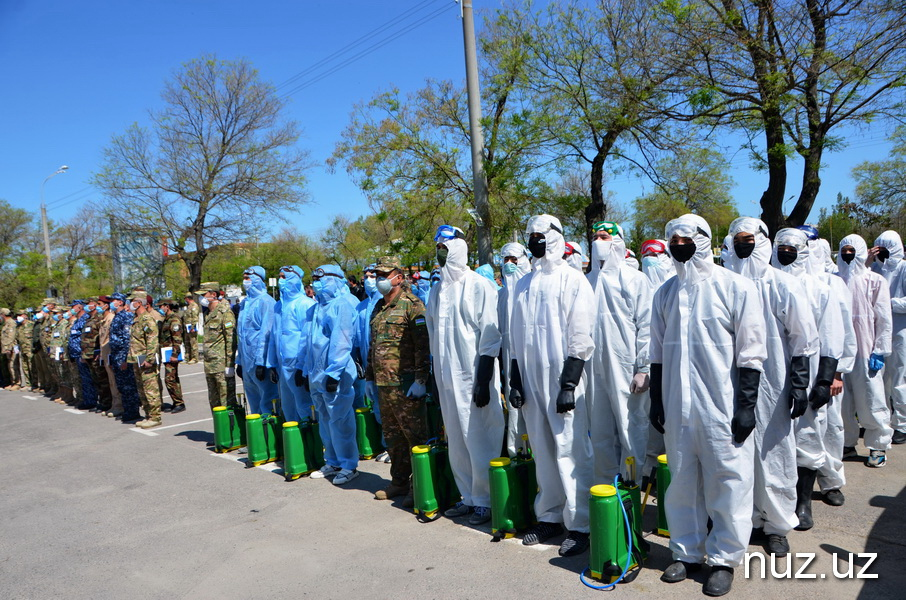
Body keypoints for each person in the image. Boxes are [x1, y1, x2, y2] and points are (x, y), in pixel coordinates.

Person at [649, 214, 767, 596]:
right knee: (682, 482)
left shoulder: (735, 287)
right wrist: (657, 399)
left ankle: (724, 559)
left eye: (686, 239)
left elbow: (751, 353)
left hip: (724, 405)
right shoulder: (665, 293)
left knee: (728, 482)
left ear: (703, 240)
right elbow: (657, 353)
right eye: (673, 239)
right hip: (678, 404)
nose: (678, 245)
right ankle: (685, 551)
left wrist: (746, 404)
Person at [724, 218, 818, 555]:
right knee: (736, 455)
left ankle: (778, 524)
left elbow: (803, 340)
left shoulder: (781, 284)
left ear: (762, 241)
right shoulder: (723, 283)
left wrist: (799, 384)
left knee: (775, 451)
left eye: (749, 239)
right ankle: (745, 518)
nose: (743, 245)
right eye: (738, 239)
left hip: (773, 384)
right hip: (730, 384)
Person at [508, 214, 595, 556]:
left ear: (556, 238)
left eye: (540, 235)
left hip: (563, 381)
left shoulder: (573, 280)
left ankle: (581, 523)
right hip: (531, 381)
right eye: (530, 235)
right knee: (543, 450)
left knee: (571, 450)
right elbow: (515, 339)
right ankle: (550, 515)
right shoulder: (524, 285)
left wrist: (569, 383)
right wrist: (516, 381)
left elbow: (581, 334)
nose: (534, 241)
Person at [425, 225, 503, 526]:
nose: (441, 255)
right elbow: (434, 335)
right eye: (438, 249)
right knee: (456, 438)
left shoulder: (479, 285)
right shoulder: (437, 291)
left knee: (479, 435)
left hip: (473, 375)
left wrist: (483, 380)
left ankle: (485, 499)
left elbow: (491, 335)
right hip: (447, 377)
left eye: (445, 249)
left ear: (458, 249)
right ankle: (467, 497)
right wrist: (435, 375)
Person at [773, 228, 846, 529]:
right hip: (772, 376)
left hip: (812, 370)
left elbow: (831, 336)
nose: (787, 252)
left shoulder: (819, 288)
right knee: (774, 442)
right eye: (782, 246)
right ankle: (776, 503)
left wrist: (825, 380)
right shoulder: (765, 283)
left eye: (794, 247)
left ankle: (804, 503)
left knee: (808, 437)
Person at [585, 220, 652, 484]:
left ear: (618, 243)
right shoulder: (586, 281)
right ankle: (603, 489)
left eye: (605, 237)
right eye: (596, 237)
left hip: (626, 367)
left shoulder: (635, 280)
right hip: (593, 369)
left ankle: (630, 487)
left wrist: (644, 368)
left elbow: (646, 325)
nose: (599, 242)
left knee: (630, 427)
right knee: (599, 432)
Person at [799, 226, 857, 505]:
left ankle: (831, 481)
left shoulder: (834, 285)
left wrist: (837, 372)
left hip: (827, 372)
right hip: (798, 374)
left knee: (831, 428)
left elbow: (843, 330)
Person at [368, 257, 431, 504]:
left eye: (385, 274)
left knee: (415, 436)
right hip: (384, 385)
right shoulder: (378, 307)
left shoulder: (412, 306)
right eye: (377, 275)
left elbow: (422, 346)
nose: (380, 279)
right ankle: (399, 482)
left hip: (405, 384)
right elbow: (374, 345)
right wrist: (370, 378)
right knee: (393, 437)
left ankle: (421, 485)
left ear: (399, 277)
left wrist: (421, 379)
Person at [837, 235, 893, 467]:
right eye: (844, 250)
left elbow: (884, 319)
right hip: (839, 351)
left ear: (860, 252)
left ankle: (878, 445)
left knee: (870, 399)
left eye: (852, 250)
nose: (848, 254)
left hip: (865, 349)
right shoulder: (834, 280)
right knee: (842, 402)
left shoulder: (875, 281)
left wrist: (879, 350)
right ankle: (847, 443)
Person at [302, 265, 360, 485]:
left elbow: (342, 341)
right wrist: (303, 369)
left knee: (340, 418)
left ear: (335, 280)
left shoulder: (341, 306)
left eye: (320, 278)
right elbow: (307, 342)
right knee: (325, 419)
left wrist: (334, 373)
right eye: (313, 277)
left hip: (336, 373)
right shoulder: (316, 307)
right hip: (316, 374)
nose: (315, 282)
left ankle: (348, 464)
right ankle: (333, 460)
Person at [867, 231, 906, 444]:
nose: (881, 254)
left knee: (900, 377)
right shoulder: (875, 268)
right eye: (878, 249)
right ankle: (881, 421)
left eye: (884, 250)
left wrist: (887, 303)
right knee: (880, 379)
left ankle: (902, 424)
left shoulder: (904, 268)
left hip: (901, 329)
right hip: (879, 330)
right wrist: (867, 261)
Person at [267, 266, 316, 424]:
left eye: (284, 277)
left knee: (304, 405)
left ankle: (310, 442)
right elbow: (274, 336)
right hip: (283, 366)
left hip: (297, 365)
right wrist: (272, 363)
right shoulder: (279, 306)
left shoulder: (305, 304)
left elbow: (309, 339)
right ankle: (294, 444)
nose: (281, 281)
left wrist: (304, 368)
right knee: (288, 407)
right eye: (279, 277)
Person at [498, 242, 532, 458]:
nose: (510, 265)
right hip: (511, 364)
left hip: (534, 360)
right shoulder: (501, 296)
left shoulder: (532, 288)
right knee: (515, 410)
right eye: (505, 260)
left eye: (514, 259)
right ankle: (517, 455)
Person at [354, 264, 390, 461]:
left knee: (389, 408)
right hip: (370, 367)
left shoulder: (386, 303)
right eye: (366, 276)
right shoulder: (362, 306)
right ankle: (384, 445)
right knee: (378, 407)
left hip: (388, 366)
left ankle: (393, 447)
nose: (369, 280)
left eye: (373, 276)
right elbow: (356, 337)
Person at [237, 266, 278, 417]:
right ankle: (258, 436)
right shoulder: (245, 303)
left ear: (257, 279)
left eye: (248, 278)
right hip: (247, 361)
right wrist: (239, 361)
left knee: (268, 400)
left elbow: (266, 334)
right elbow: (241, 335)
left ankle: (270, 435)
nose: (245, 281)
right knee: (254, 401)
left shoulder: (266, 302)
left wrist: (261, 362)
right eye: (244, 278)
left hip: (261, 362)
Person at [195, 282, 236, 410]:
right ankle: (219, 429)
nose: (201, 298)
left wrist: (229, 365)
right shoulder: (208, 313)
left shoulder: (225, 313)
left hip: (221, 365)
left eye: (203, 294)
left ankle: (228, 430)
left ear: (213, 294)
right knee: (214, 403)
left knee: (226, 403)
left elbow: (230, 340)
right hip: (209, 365)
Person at [127, 291, 162, 429]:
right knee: (142, 389)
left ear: (139, 303)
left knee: (150, 389)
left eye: (132, 301)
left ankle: (155, 417)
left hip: (145, 360)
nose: (130, 304)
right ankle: (148, 415)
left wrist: (149, 359)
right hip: (137, 359)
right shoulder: (136, 319)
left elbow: (152, 341)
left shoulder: (147, 319)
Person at [109, 293, 141, 423]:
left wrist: (124, 359)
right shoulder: (116, 317)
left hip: (123, 357)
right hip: (116, 356)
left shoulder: (126, 317)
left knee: (129, 386)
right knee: (122, 386)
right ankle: (127, 410)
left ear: (121, 302)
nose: (112, 302)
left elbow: (127, 340)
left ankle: (133, 411)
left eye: (114, 300)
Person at [81, 298, 113, 414]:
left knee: (102, 380)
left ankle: (106, 403)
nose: (86, 307)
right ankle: (102, 401)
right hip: (88, 354)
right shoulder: (89, 319)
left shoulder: (99, 319)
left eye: (88, 304)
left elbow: (101, 337)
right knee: (96, 380)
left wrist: (99, 352)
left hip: (96, 354)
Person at [68, 300, 97, 409]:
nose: (71, 309)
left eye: (73, 307)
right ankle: (85, 399)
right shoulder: (77, 320)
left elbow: (85, 337)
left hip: (82, 353)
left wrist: (83, 353)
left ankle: (90, 400)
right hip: (75, 353)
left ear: (80, 308)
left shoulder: (85, 319)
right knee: (82, 379)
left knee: (87, 379)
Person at [158, 299, 185, 414]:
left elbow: (177, 338)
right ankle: (176, 402)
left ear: (167, 306)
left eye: (161, 306)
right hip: (166, 352)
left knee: (170, 379)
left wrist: (175, 354)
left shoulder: (174, 319)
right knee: (172, 378)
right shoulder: (166, 319)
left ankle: (179, 403)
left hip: (172, 353)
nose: (160, 308)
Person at [15, 309, 35, 392]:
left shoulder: (31, 325)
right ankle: (28, 383)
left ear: (25, 316)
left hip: (30, 350)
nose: (18, 317)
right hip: (23, 349)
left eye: (20, 315)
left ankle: (35, 384)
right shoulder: (19, 327)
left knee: (32, 367)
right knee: (25, 367)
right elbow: (17, 338)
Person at [182, 294, 200, 364]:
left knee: (193, 343)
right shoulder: (188, 306)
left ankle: (194, 358)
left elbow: (195, 318)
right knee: (187, 343)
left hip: (191, 328)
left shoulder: (194, 306)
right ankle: (187, 357)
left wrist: (193, 327)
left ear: (187, 298)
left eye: (185, 299)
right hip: (187, 327)